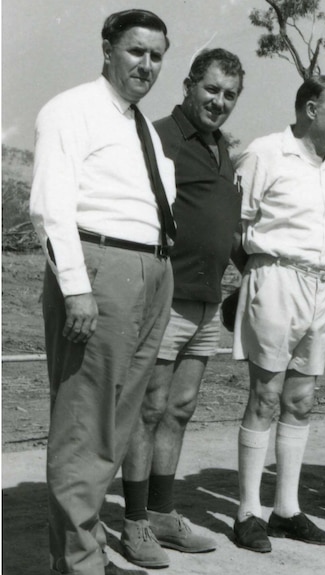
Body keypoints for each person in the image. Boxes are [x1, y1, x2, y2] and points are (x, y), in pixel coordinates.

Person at [30, 9, 174, 575]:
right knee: (82, 423)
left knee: (115, 423)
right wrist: (76, 289)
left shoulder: (140, 126)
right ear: (108, 49)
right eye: (136, 51)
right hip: (100, 270)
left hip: (151, 271)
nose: (147, 64)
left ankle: (83, 547)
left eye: (157, 55)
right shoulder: (72, 109)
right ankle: (77, 563)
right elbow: (50, 207)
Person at [118, 48, 245, 568]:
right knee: (148, 408)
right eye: (212, 89)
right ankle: (135, 522)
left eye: (230, 95)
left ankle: (165, 514)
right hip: (165, 296)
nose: (219, 102)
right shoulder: (158, 136)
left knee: (181, 408)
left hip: (207, 300)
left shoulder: (223, 150)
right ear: (190, 85)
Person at [230, 76, 325, 553]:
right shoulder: (265, 152)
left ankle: (286, 509)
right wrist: (258, 278)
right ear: (309, 108)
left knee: (301, 400)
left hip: (323, 285)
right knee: (265, 395)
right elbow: (235, 228)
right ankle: (247, 512)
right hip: (276, 278)